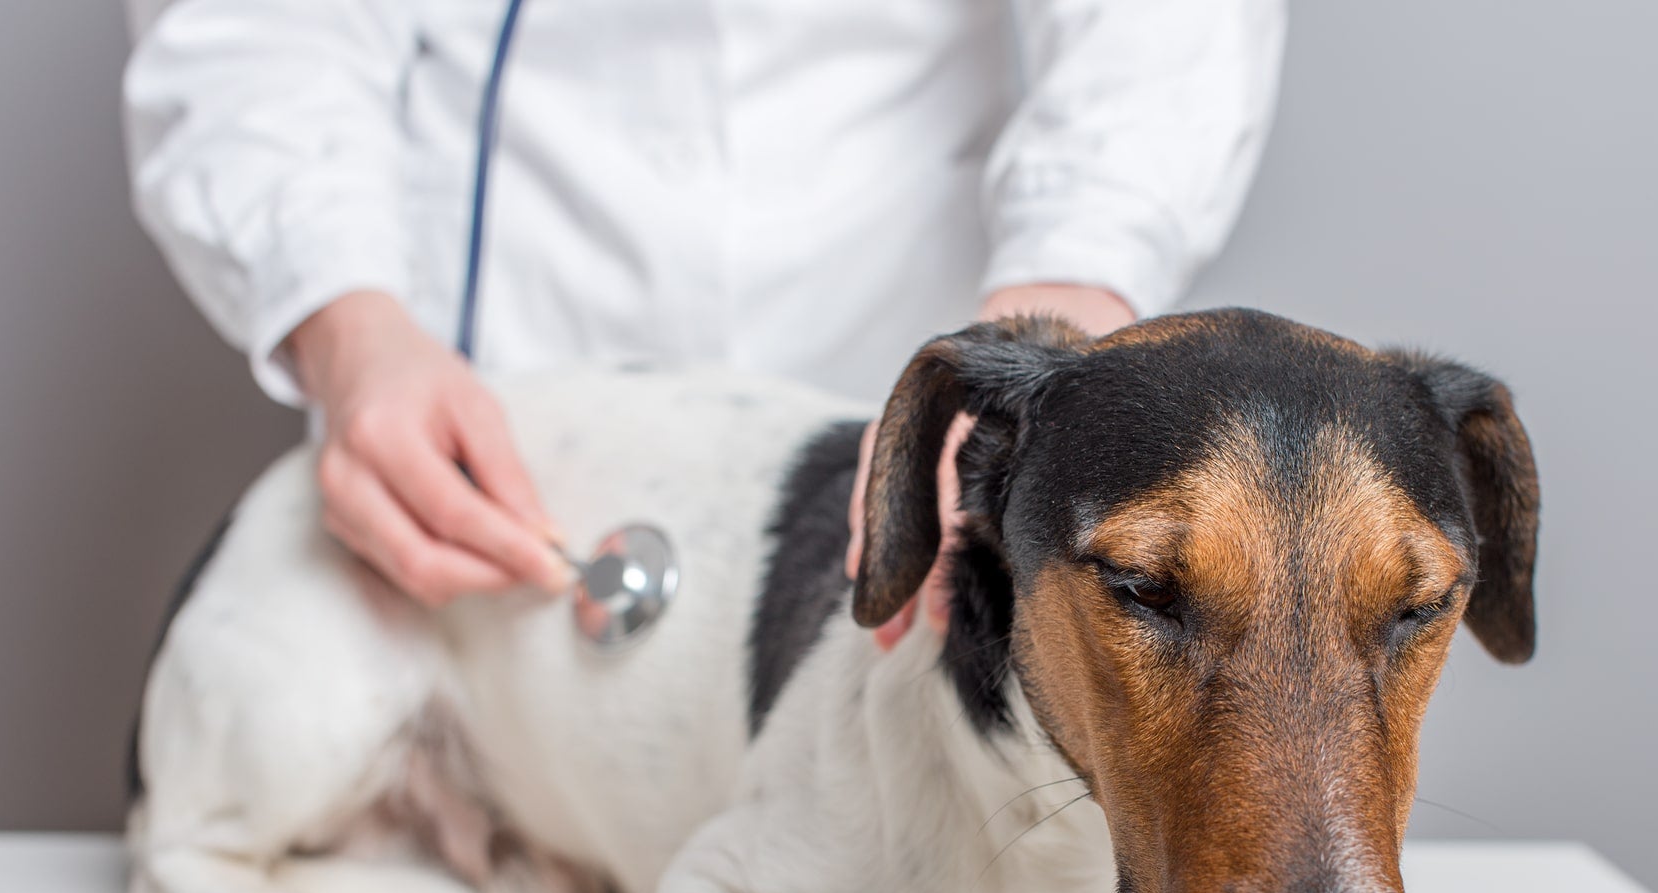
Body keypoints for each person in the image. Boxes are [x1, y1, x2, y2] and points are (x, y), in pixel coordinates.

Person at [123, 0, 1285, 630]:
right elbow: (257, 26)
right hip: (505, 406)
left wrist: (1050, 322)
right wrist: (346, 325)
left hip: (891, 363)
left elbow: (1161, 24)